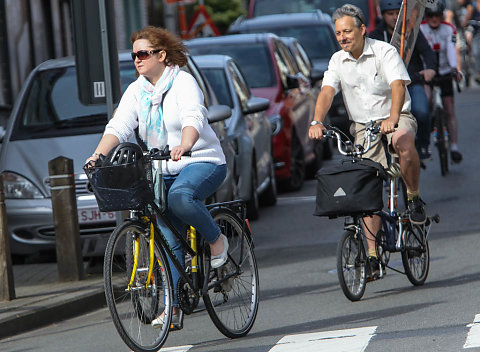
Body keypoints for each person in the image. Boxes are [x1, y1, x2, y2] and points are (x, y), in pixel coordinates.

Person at [85, 26, 228, 329]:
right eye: (133, 55)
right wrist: (97, 155)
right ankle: (173, 307)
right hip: (161, 168)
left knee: (180, 198)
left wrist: (185, 144)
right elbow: (119, 125)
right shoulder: (137, 90)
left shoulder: (184, 82)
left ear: (161, 55)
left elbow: (194, 117)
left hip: (200, 160)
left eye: (143, 54)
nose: (136, 59)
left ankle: (217, 241)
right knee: (166, 235)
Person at [309, 4, 426, 278]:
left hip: (395, 117)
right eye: (338, 33)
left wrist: (393, 118)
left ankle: (413, 197)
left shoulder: (384, 51)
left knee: (403, 140)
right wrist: (316, 121)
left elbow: (398, 85)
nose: (342, 37)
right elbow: (327, 91)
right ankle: (372, 255)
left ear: (362, 29)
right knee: (365, 189)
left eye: (347, 31)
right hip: (363, 128)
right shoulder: (338, 60)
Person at [370, 0, 437, 160]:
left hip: (413, 81)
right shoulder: (375, 37)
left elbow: (427, 52)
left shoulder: (412, 30)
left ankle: (422, 144)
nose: (394, 17)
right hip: (386, 87)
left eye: (396, 13)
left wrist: (430, 69)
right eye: (390, 14)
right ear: (383, 15)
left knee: (421, 111)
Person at [421, 2, 464, 163]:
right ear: (426, 17)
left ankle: (454, 147)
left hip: (445, 70)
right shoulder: (421, 29)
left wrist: (455, 69)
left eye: (437, 15)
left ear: (442, 16)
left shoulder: (448, 28)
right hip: (427, 72)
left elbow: (452, 49)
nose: (434, 19)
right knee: (427, 101)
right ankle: (429, 130)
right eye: (430, 16)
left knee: (449, 109)